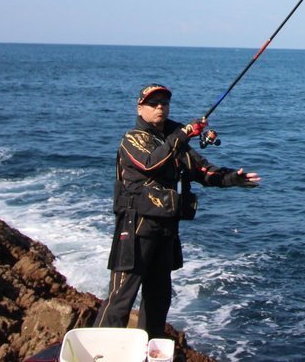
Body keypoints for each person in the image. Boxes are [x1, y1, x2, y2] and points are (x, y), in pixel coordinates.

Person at [94, 83, 260, 338]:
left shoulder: (174, 141)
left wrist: (232, 178)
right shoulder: (133, 139)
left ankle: (149, 349)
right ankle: (99, 349)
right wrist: (183, 133)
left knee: (158, 299)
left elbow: (203, 171)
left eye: (164, 103)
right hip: (135, 227)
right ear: (140, 108)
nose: (160, 107)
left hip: (166, 229)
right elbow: (150, 163)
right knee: (120, 298)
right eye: (153, 103)